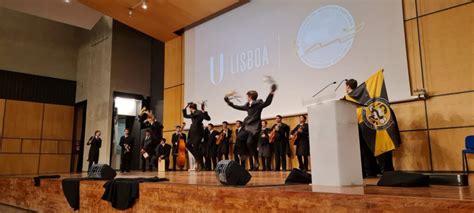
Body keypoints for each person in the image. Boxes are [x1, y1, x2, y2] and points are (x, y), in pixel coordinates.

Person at [345, 79, 394, 177]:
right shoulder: (363, 95)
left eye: (345, 87)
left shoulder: (349, 98)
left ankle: (371, 171)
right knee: (368, 149)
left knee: (366, 150)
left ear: (348, 86)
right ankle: (374, 171)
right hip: (369, 124)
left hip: (361, 125)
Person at [224, 83, 277, 170]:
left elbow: (267, 102)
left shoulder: (259, 103)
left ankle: (256, 160)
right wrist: (228, 102)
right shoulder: (247, 105)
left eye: (247, 96)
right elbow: (237, 107)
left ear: (250, 96)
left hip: (254, 127)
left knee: (249, 142)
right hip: (247, 125)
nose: (246, 98)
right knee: (239, 138)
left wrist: (271, 93)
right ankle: (245, 154)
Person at [182, 102, 211, 171]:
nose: (189, 110)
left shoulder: (199, 112)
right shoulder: (193, 113)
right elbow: (185, 115)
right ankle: (198, 156)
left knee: (195, 148)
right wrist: (184, 109)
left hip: (198, 133)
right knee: (187, 145)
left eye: (189, 108)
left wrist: (204, 112)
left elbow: (208, 118)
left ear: (191, 108)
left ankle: (201, 164)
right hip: (192, 132)